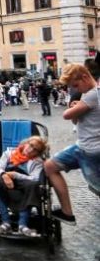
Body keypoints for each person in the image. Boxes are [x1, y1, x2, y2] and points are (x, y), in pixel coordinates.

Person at [44, 63, 100, 225]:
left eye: (75, 85)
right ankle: (67, 213)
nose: (75, 89)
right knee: (50, 166)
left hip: (90, 150)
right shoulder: (88, 95)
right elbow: (76, 121)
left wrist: (73, 108)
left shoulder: (93, 94)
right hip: (82, 146)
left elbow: (67, 115)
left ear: (85, 77)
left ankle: (67, 212)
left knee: (97, 187)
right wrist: (77, 108)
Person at [0, 136, 48, 236]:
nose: (31, 150)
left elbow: (34, 178)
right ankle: (6, 222)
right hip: (5, 181)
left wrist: (15, 175)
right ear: (26, 143)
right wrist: (5, 176)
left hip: (24, 183)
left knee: (34, 185)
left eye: (35, 149)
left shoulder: (37, 162)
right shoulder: (9, 153)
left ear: (38, 153)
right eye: (30, 145)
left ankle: (22, 225)